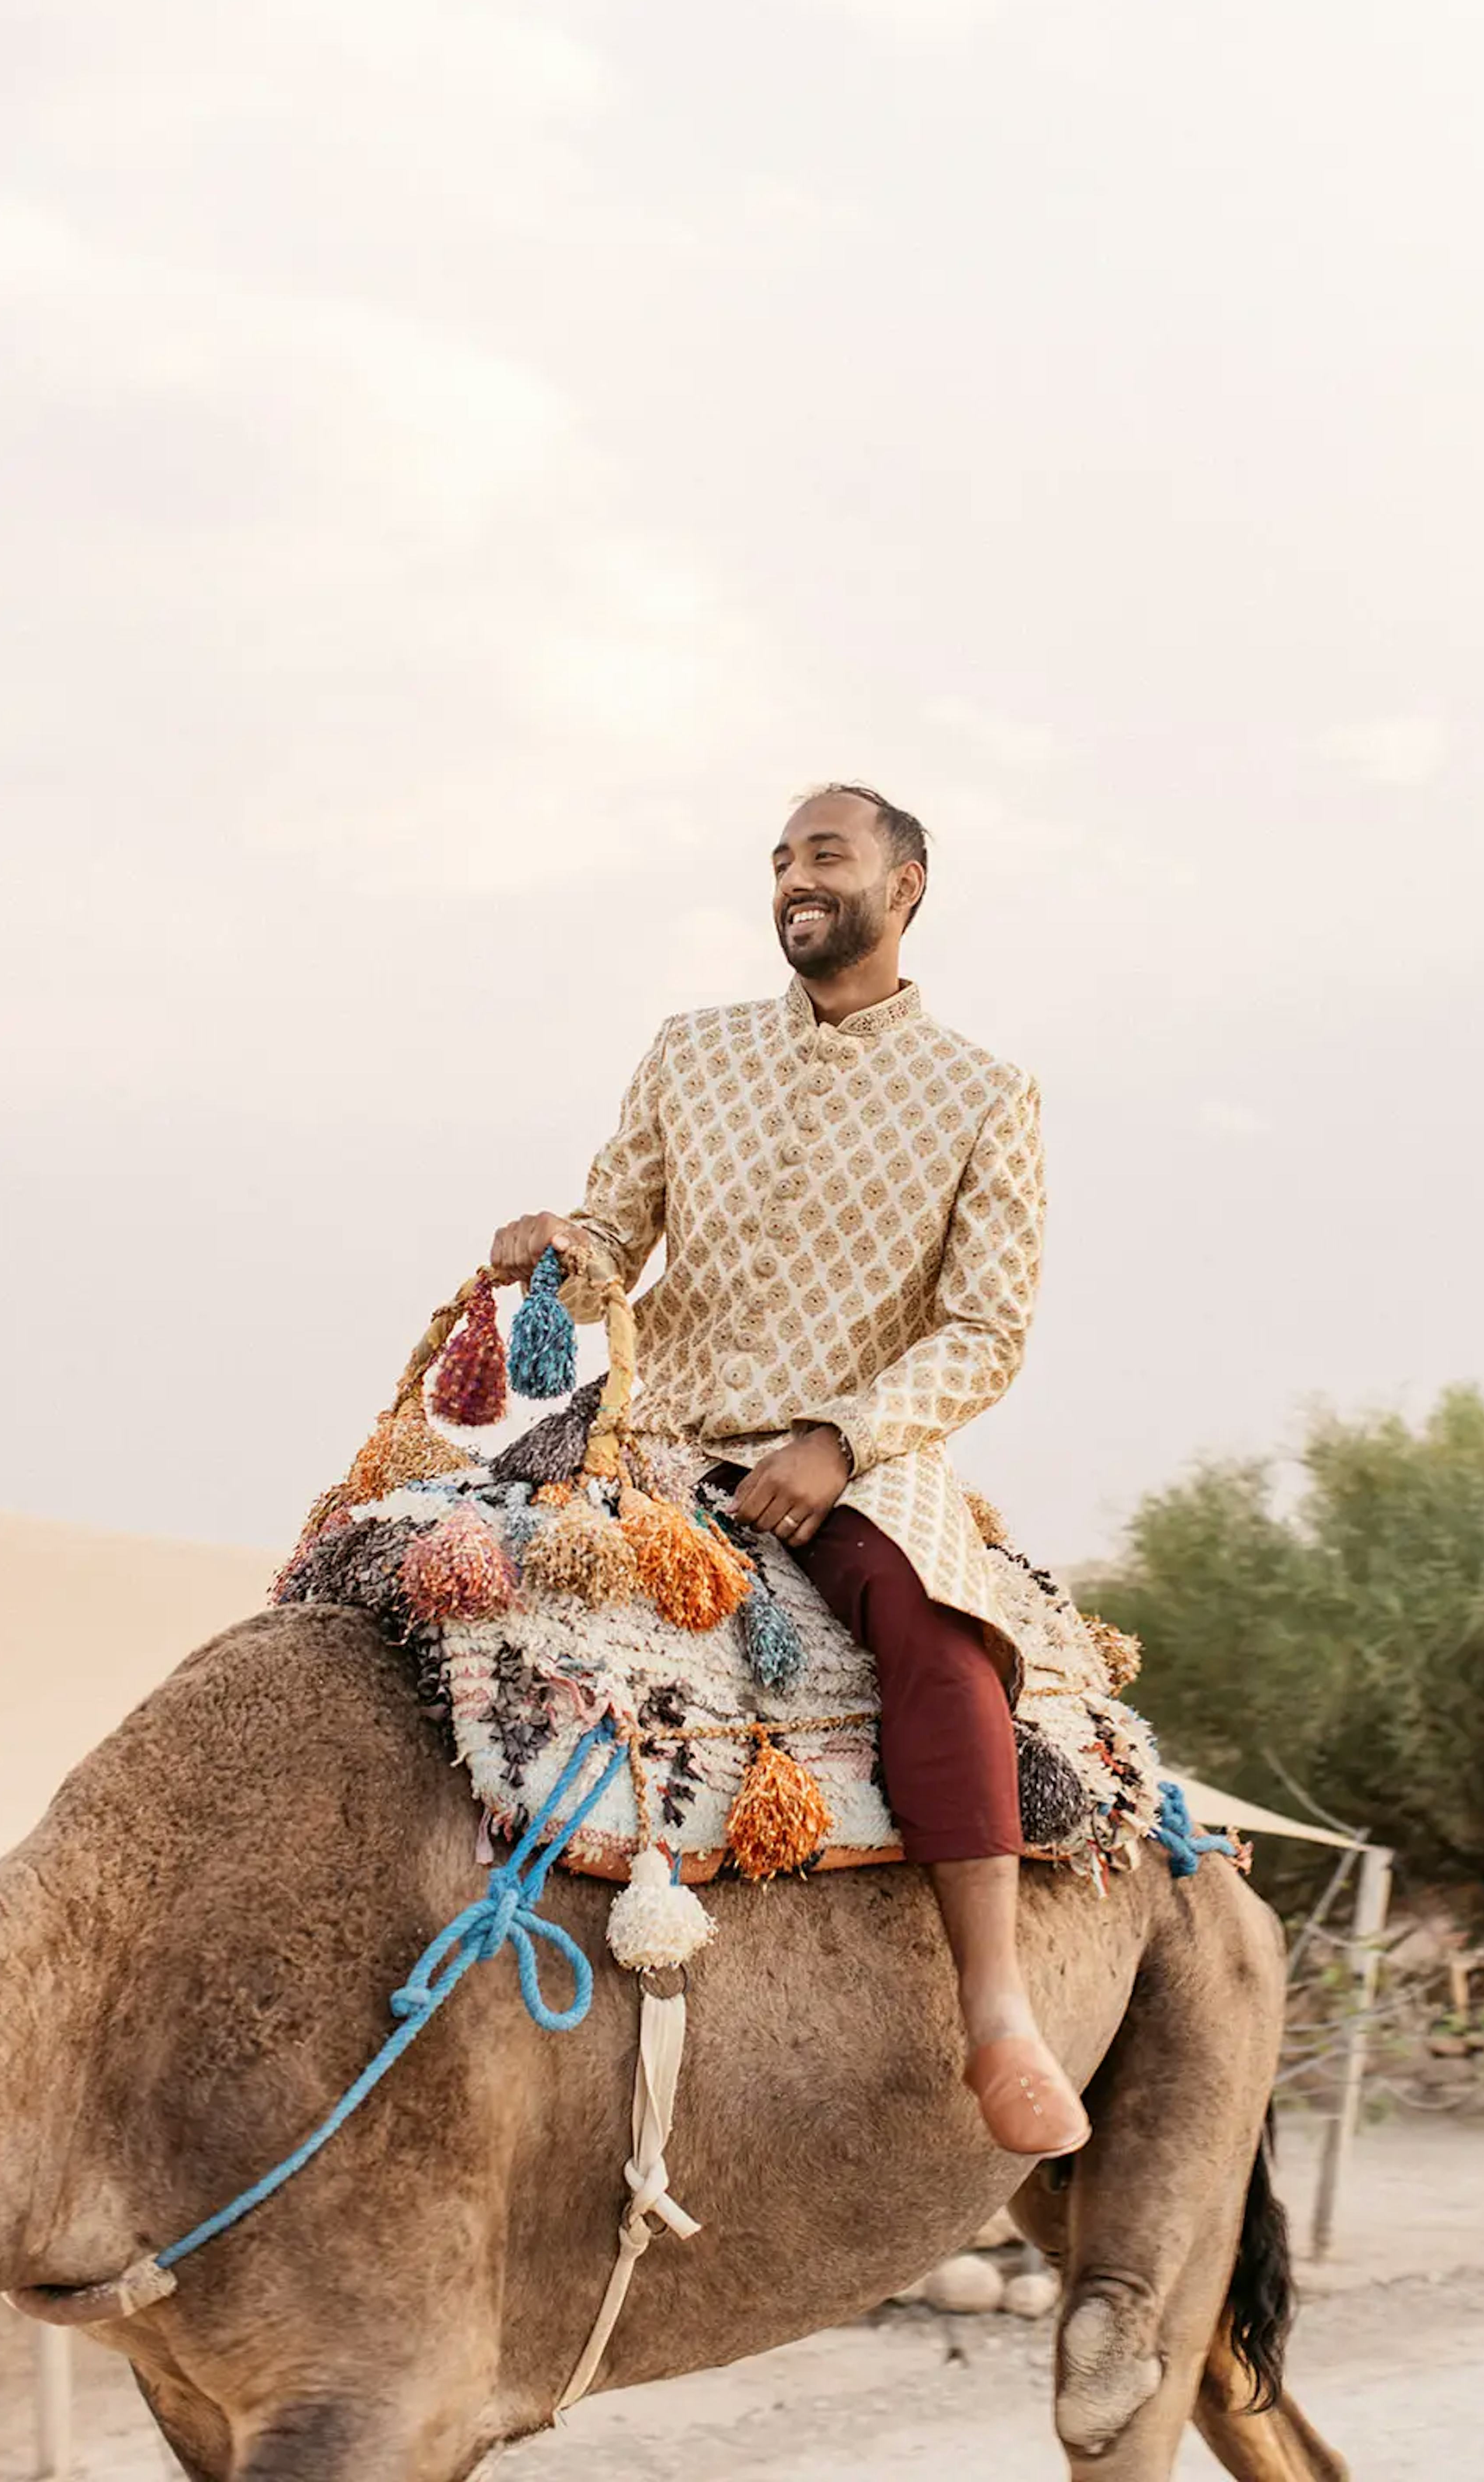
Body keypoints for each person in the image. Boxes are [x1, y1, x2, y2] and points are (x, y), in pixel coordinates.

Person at [490, 784, 1089, 2158]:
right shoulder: (688, 1051)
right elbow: (615, 1236)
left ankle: (997, 2013)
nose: (793, 881)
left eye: (825, 856)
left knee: (936, 1642)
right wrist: (557, 1250)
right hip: (663, 1433)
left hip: (861, 1453)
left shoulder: (986, 1093)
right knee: (435, 1569)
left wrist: (841, 1444)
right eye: (778, 863)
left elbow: (988, 1327)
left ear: (908, 883)